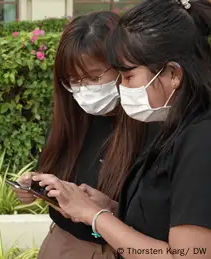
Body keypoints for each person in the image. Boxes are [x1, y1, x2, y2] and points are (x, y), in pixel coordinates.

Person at [33, 0, 211, 258]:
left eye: (127, 77)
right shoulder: (180, 129)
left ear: (173, 73)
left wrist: (95, 216)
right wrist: (111, 207)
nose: (122, 88)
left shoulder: (200, 141)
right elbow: (161, 219)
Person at [13, 11, 158, 259]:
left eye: (92, 77)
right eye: (73, 81)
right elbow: (55, 175)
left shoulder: (153, 124)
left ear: (124, 65)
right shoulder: (72, 120)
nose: (83, 90)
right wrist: (36, 186)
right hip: (62, 245)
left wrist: (106, 210)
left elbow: (161, 219)